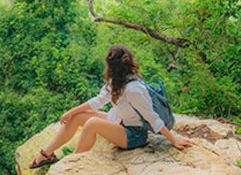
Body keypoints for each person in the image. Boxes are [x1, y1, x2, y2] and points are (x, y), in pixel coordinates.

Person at [30, 44, 194, 168]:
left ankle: (74, 163)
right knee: (78, 116)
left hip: (134, 135)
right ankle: (46, 154)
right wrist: (71, 111)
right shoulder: (115, 81)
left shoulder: (134, 89)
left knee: (92, 123)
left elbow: (152, 118)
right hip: (119, 123)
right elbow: (99, 101)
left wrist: (173, 139)